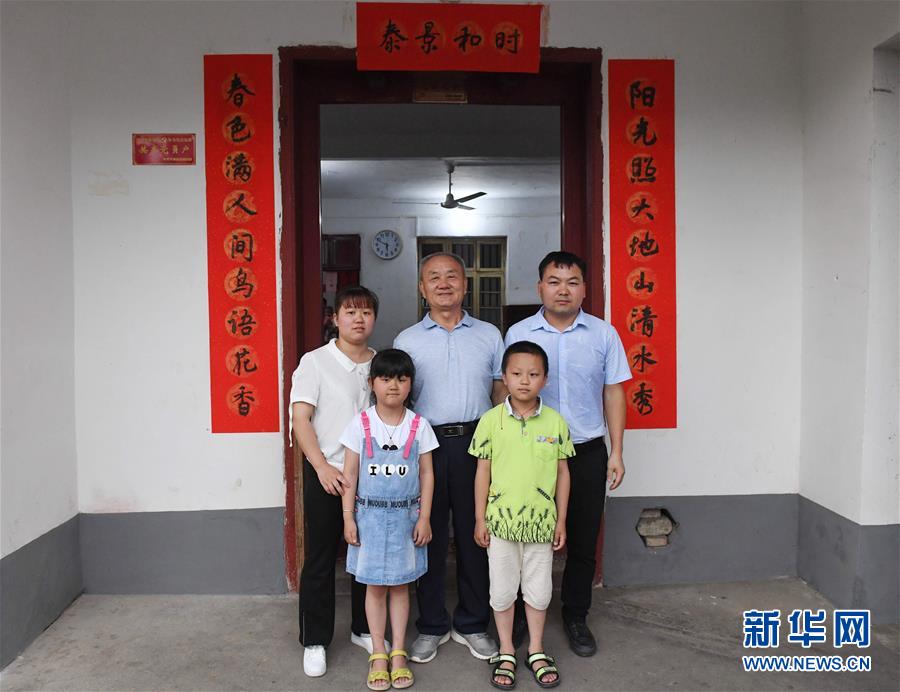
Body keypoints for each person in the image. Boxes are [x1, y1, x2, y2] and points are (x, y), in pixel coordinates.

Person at [505, 251, 631, 657]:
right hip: (530, 453)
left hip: (585, 450)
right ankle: (521, 614)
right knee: (524, 535)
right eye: (554, 282)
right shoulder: (519, 333)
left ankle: (576, 614)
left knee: (582, 537)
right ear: (540, 287)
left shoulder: (603, 334)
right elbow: (503, 390)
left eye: (572, 282)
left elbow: (614, 392)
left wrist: (616, 451)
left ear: (584, 289)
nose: (563, 290)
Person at [393, 252, 506, 663]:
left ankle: (473, 623)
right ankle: (432, 624)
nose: (444, 284)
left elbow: (500, 390)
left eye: (452, 276)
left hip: (478, 443)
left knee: (478, 533)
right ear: (422, 288)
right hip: (427, 446)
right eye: (434, 277)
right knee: (429, 535)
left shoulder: (490, 335)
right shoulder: (407, 340)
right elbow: (401, 397)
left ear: (465, 284)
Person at [290, 286, 381, 678]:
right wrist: (322, 467)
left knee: (368, 557)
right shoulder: (315, 362)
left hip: (373, 478)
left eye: (366, 312)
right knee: (322, 558)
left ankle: (363, 628)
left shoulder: (380, 363)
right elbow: (301, 420)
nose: (359, 319)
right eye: (351, 311)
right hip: (329, 474)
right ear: (336, 317)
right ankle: (315, 639)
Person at [472, 341, 574, 689]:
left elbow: (562, 473)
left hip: (541, 524)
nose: (525, 381)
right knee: (502, 591)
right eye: (517, 373)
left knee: (539, 590)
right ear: (504, 377)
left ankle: (536, 649)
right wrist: (480, 518)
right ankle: (505, 651)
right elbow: (482, 472)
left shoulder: (555, 422)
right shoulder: (491, 421)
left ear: (545, 379)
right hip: (500, 523)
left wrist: (560, 520)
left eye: (533, 374)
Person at [340, 349, 437, 690]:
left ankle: (398, 651)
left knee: (400, 586)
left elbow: (426, 474)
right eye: (385, 378)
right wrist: (348, 518)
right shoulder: (360, 424)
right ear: (372, 383)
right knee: (375, 587)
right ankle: (378, 652)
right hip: (368, 518)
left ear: (411, 384)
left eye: (401, 378)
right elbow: (350, 474)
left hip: (406, 519)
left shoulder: (419, 425)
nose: (393, 385)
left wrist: (424, 517)